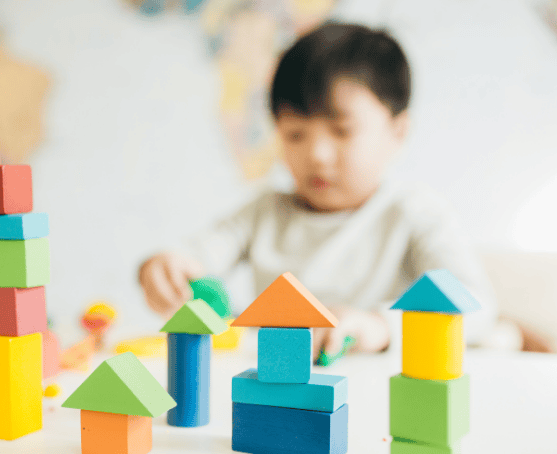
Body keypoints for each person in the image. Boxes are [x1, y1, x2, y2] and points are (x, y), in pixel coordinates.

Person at [139, 22, 497, 357]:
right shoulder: (264, 212)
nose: (317, 155)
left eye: (342, 131)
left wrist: (381, 326)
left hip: (376, 397)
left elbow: (474, 306)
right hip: (278, 391)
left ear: (397, 132)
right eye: (295, 134)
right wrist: (166, 266)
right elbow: (196, 255)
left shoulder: (413, 213)